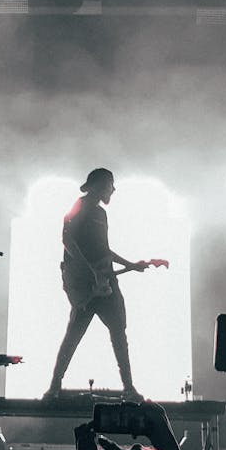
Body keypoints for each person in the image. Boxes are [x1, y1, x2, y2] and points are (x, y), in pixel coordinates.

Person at [43, 168, 155, 399]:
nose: (113, 190)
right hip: (87, 285)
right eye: (109, 185)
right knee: (74, 335)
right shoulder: (80, 206)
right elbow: (67, 240)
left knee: (118, 333)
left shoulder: (101, 214)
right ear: (97, 185)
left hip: (105, 282)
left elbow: (104, 251)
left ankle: (129, 387)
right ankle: (54, 386)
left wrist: (131, 264)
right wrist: (89, 272)